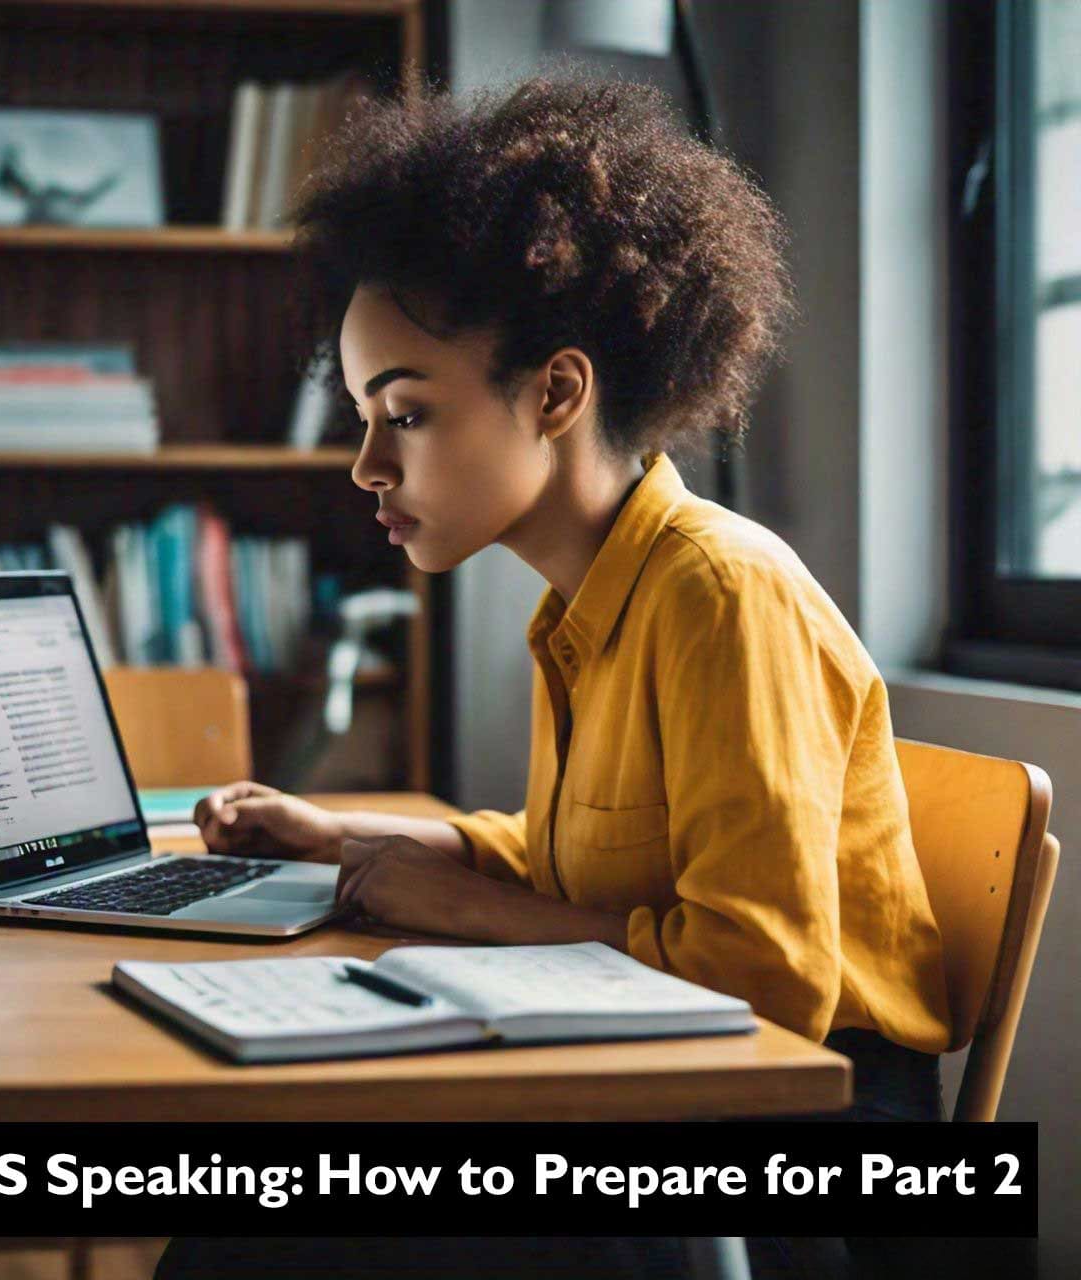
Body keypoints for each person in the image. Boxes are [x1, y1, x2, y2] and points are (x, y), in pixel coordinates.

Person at [159, 67, 951, 1280]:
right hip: (657, 1107)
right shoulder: (584, 608)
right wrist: (344, 836)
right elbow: (575, 859)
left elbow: (767, 982)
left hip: (784, 1165)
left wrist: (470, 911)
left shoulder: (717, 593)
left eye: (405, 414)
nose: (366, 464)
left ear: (557, 390)